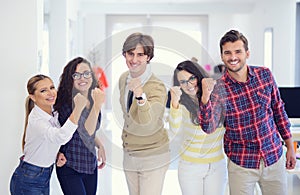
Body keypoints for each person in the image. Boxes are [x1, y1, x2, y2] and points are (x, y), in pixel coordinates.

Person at [199, 29, 297, 195]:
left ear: (247, 53)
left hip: (273, 156)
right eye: (227, 53)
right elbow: (208, 127)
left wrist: (290, 148)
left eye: (238, 51)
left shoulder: (264, 75)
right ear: (222, 56)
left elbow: (279, 110)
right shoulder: (218, 89)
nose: (233, 57)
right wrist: (205, 98)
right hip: (241, 164)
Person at [10, 74, 87, 195]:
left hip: (43, 175)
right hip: (28, 180)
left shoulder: (53, 113)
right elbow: (60, 137)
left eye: (52, 87)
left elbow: (48, 139)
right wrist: (77, 109)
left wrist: (56, 153)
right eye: (43, 90)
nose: (51, 93)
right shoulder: (37, 120)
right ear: (33, 97)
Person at [119, 32, 170, 195]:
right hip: (130, 152)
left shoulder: (157, 86)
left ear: (148, 57)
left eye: (140, 54)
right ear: (124, 54)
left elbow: (148, 122)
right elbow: (127, 116)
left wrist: (140, 96)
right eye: (130, 53)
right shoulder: (123, 79)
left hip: (152, 155)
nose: (134, 59)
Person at [169, 60, 227, 195]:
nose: (188, 85)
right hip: (190, 167)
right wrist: (174, 103)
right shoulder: (181, 104)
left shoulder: (216, 98)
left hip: (216, 165)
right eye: (183, 82)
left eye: (192, 78)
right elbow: (174, 130)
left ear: (199, 76)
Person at [54, 57, 106, 195]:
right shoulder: (67, 103)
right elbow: (85, 131)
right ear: (70, 79)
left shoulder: (93, 98)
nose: (82, 78)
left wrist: (99, 145)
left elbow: (91, 130)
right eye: (76, 75)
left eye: (86, 73)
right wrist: (97, 105)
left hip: (90, 164)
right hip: (71, 165)